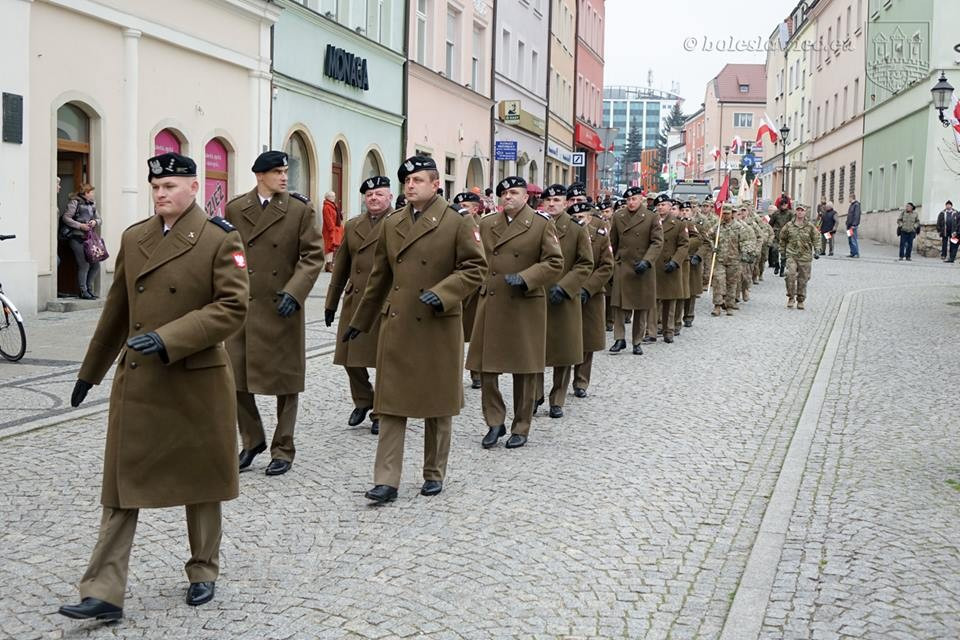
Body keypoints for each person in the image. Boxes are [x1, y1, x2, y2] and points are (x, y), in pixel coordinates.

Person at [59, 153, 249, 620]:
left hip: (196, 378)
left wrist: (169, 338)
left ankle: (203, 569)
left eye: (170, 186)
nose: (161, 194)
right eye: (156, 187)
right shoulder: (135, 237)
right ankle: (103, 591)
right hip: (140, 381)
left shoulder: (220, 239)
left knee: (201, 481)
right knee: (121, 485)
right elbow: (117, 310)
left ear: (193, 188)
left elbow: (232, 308)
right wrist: (90, 372)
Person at [342, 156, 487, 502]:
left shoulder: (456, 223)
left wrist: (443, 294)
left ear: (436, 184)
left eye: (418, 180)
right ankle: (386, 480)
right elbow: (380, 277)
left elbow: (476, 268)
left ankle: (434, 472)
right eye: (406, 181)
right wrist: (359, 321)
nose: (410, 186)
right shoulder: (393, 224)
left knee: (437, 403)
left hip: (437, 324)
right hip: (399, 323)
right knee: (391, 403)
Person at [224, 152, 324, 476]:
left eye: (285, 171)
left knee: (286, 382)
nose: (284, 177)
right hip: (245, 306)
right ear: (260, 175)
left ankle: (284, 447)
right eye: (277, 172)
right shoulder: (236, 209)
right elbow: (228, 254)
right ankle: (252, 440)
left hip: (283, 305)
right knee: (236, 379)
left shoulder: (299, 209)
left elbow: (312, 256)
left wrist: (295, 292)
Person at [466, 176, 563, 450]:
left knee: (525, 369)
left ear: (526, 196)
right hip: (492, 300)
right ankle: (494, 420)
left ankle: (521, 425)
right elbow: (474, 259)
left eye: (514, 192)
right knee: (486, 367)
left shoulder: (541, 224)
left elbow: (555, 262)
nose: (508, 197)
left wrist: (527, 277)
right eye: (504, 193)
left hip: (524, 302)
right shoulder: (486, 224)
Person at [326, 177, 393, 434]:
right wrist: (330, 303)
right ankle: (363, 399)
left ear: (389, 197)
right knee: (348, 357)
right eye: (369, 195)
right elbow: (341, 266)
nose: (373, 198)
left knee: (383, 359)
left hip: (384, 300)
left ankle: (381, 411)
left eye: (378, 194)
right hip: (355, 299)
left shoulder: (399, 223)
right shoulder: (354, 225)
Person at [537, 186, 594, 419]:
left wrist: (566, 286)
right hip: (538, 295)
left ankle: (557, 399)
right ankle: (534, 394)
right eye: (548, 199)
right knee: (536, 349)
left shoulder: (576, 229)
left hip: (565, 296)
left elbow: (585, 263)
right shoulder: (535, 224)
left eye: (557, 200)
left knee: (563, 350)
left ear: (566, 203)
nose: (552, 204)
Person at [609, 188, 663, 354]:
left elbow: (657, 242)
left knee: (640, 306)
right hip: (622, 265)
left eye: (634, 199)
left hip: (642, 266)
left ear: (641, 199)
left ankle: (637, 341)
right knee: (618, 304)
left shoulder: (651, 216)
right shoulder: (618, 216)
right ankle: (619, 339)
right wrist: (613, 262)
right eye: (628, 200)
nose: (631, 202)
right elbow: (613, 242)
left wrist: (647, 261)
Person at [452, 191, 486, 389]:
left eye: (466, 204)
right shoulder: (453, 225)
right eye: (459, 204)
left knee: (477, 334)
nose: (461, 208)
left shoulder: (485, 226)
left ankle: (477, 373)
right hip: (457, 285)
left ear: (475, 208)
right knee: (454, 334)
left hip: (478, 288)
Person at [654, 196, 689, 343]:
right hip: (653, 265)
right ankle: (652, 329)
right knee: (653, 300)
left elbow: (684, 245)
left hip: (670, 265)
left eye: (663, 205)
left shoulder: (678, 224)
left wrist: (675, 261)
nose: (660, 207)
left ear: (670, 207)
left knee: (669, 300)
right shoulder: (651, 221)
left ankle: (669, 330)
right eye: (659, 205)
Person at [61, 183, 102, 299]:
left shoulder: (92, 204)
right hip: (76, 238)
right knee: (84, 265)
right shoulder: (75, 202)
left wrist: (95, 222)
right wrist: (80, 226)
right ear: (86, 193)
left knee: (95, 265)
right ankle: (83, 291)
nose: (93, 195)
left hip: (90, 239)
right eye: (92, 192)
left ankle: (89, 289)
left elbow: (99, 219)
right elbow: (66, 217)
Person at [779, 204, 819, 309]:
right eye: (798, 210)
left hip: (805, 256)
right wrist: (782, 252)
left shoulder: (810, 226)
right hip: (791, 254)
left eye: (802, 210)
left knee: (803, 279)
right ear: (795, 212)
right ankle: (791, 297)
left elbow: (816, 238)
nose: (800, 212)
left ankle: (800, 300)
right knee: (790, 275)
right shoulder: (789, 225)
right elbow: (782, 239)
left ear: (805, 212)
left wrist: (817, 250)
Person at [769, 197, 794, 275]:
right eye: (782, 204)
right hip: (777, 236)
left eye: (785, 204)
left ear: (787, 205)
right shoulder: (776, 213)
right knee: (774, 250)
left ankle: (782, 269)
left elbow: (793, 224)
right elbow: (770, 224)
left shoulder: (790, 214)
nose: (783, 206)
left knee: (784, 254)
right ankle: (777, 265)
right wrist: (771, 232)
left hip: (786, 237)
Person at [321, 191, 344, 271]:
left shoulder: (333, 205)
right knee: (329, 247)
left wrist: (340, 214)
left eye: (334, 196)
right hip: (329, 230)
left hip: (334, 229)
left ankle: (330, 264)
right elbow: (328, 219)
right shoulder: (326, 206)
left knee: (333, 247)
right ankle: (328, 265)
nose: (334, 198)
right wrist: (332, 230)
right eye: (332, 196)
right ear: (327, 197)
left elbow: (335, 216)